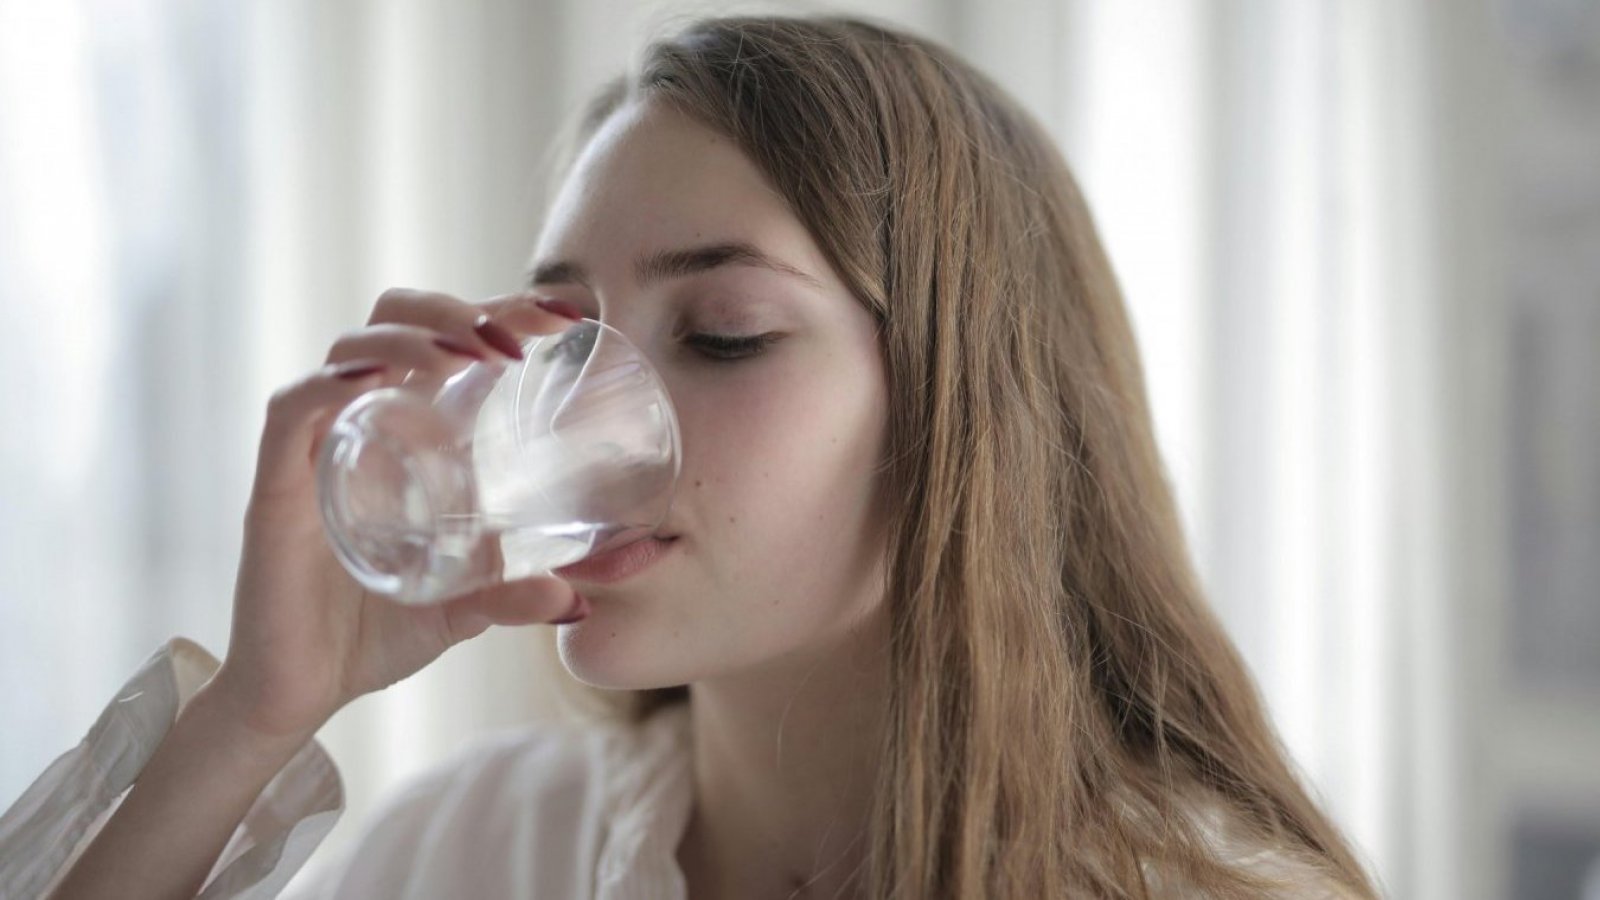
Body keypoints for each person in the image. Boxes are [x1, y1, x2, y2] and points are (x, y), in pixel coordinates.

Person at [2, 13, 1381, 900]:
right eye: (563, 338)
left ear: (969, 411)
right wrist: (253, 716)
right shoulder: (489, 850)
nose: (583, 419)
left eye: (721, 333)